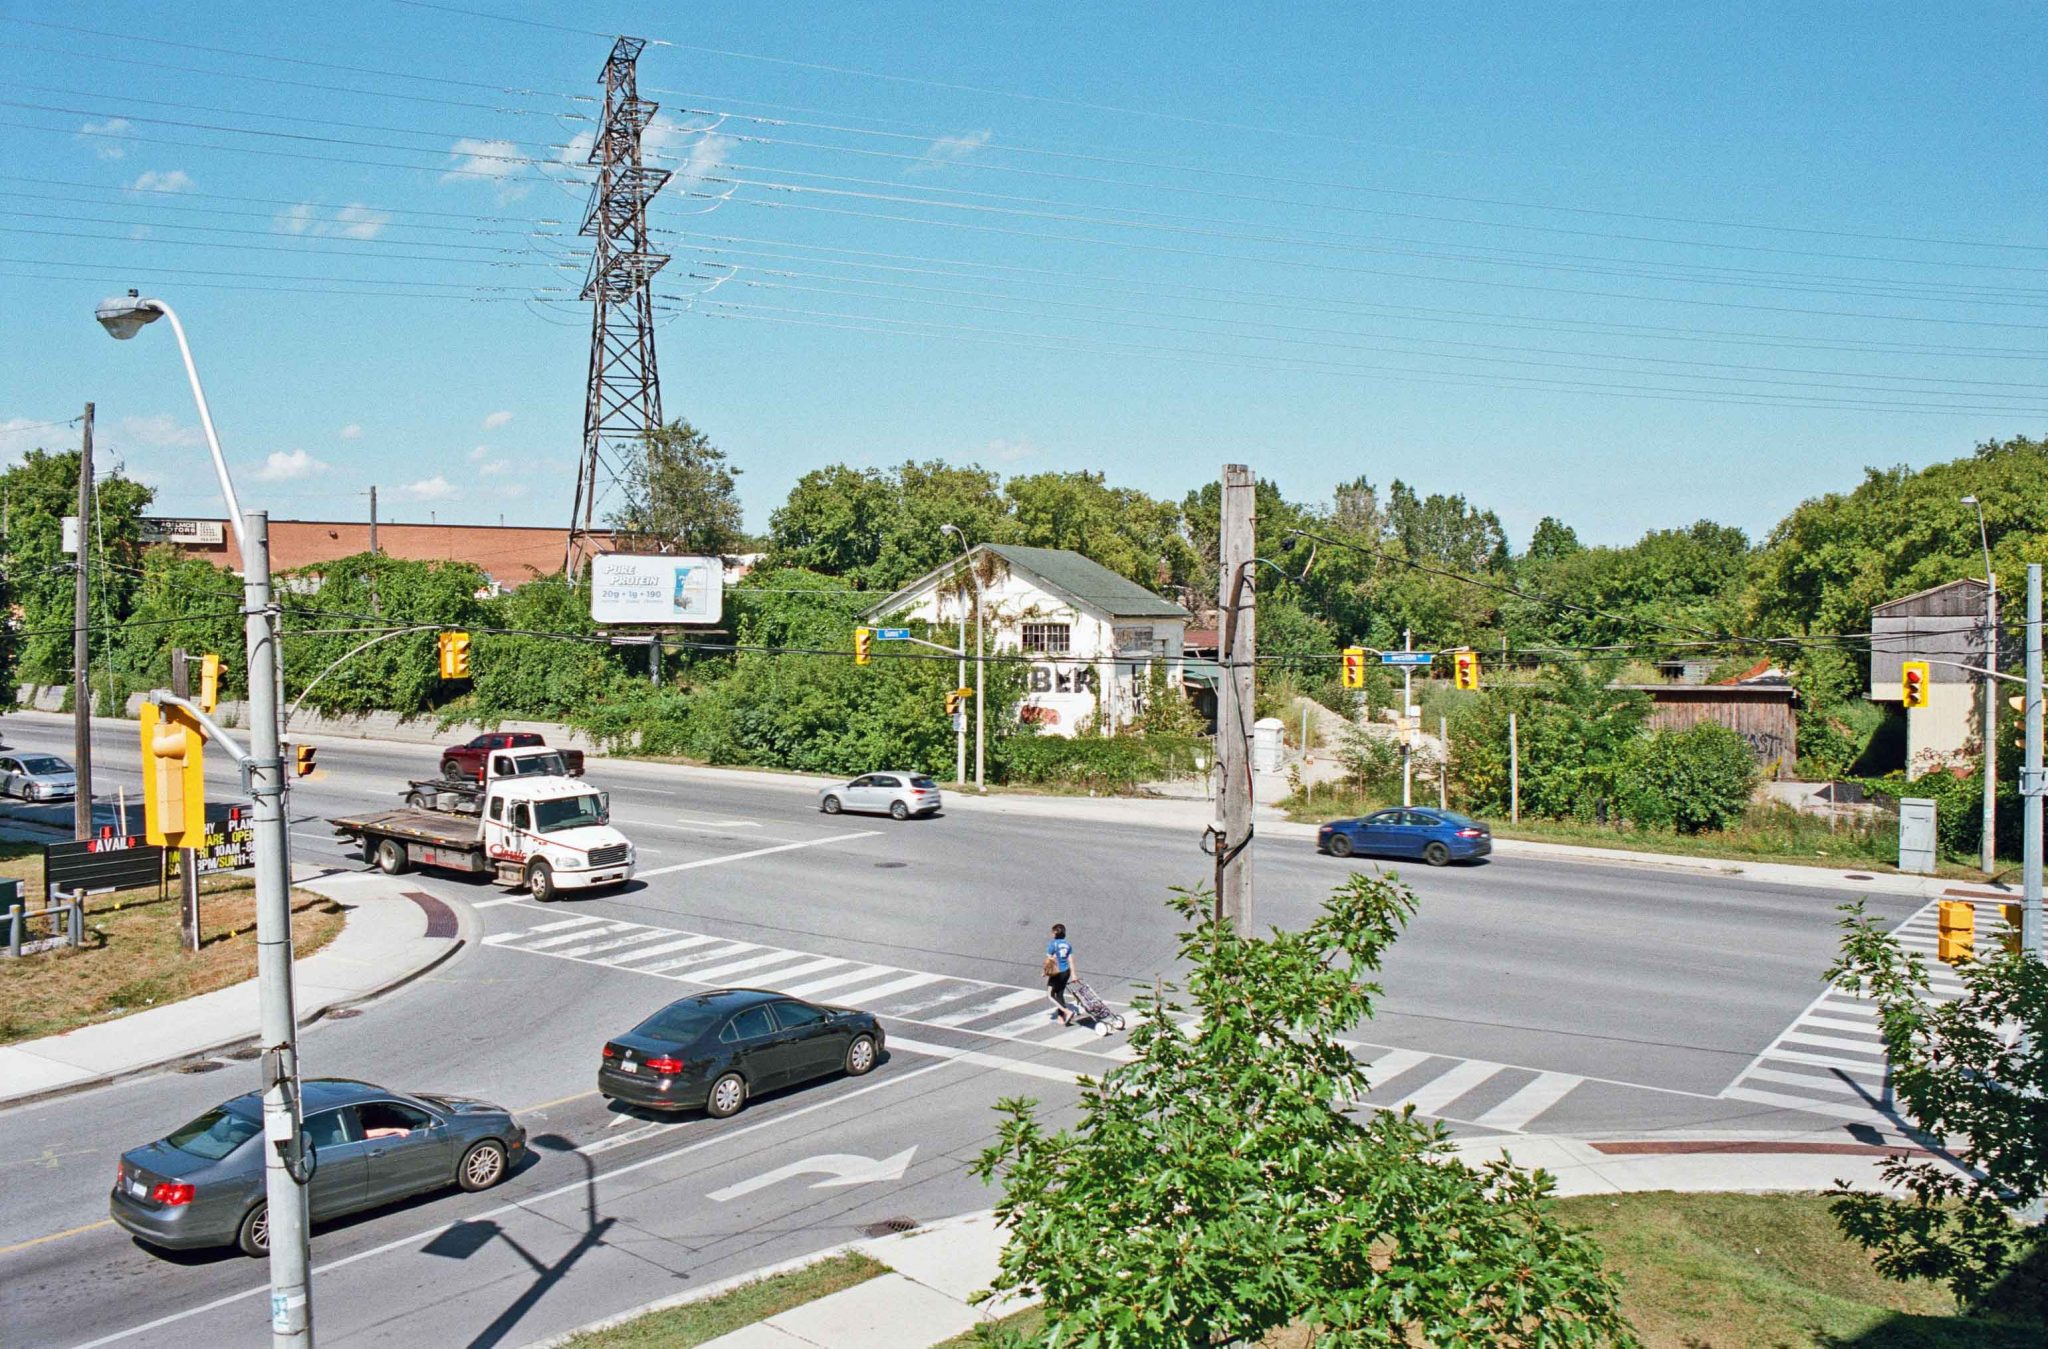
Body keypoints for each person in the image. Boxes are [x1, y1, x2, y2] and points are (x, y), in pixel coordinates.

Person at [1044, 922, 1075, 1025]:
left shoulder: (1053, 944)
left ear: (1055, 934)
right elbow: (1070, 960)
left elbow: (1049, 959)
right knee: (1060, 994)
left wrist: (1045, 972)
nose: (1051, 934)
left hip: (1058, 972)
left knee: (1050, 995)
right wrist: (1074, 975)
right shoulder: (1067, 945)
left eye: (1052, 932)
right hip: (1067, 972)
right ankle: (1061, 1017)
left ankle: (1067, 1011)